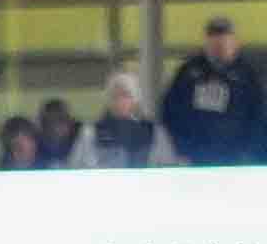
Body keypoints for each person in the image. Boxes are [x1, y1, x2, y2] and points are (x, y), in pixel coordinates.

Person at [159, 15, 264, 167]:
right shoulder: (188, 72)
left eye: (224, 39)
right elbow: (169, 111)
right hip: (195, 157)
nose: (219, 43)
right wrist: (182, 148)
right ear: (206, 42)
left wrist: (248, 151)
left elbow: (258, 115)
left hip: (236, 158)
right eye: (214, 39)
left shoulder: (248, 74)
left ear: (234, 42)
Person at [71, 69, 172, 169]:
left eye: (125, 95)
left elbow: (167, 167)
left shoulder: (154, 132)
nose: (120, 101)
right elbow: (77, 167)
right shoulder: (90, 132)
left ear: (135, 99)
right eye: (114, 96)